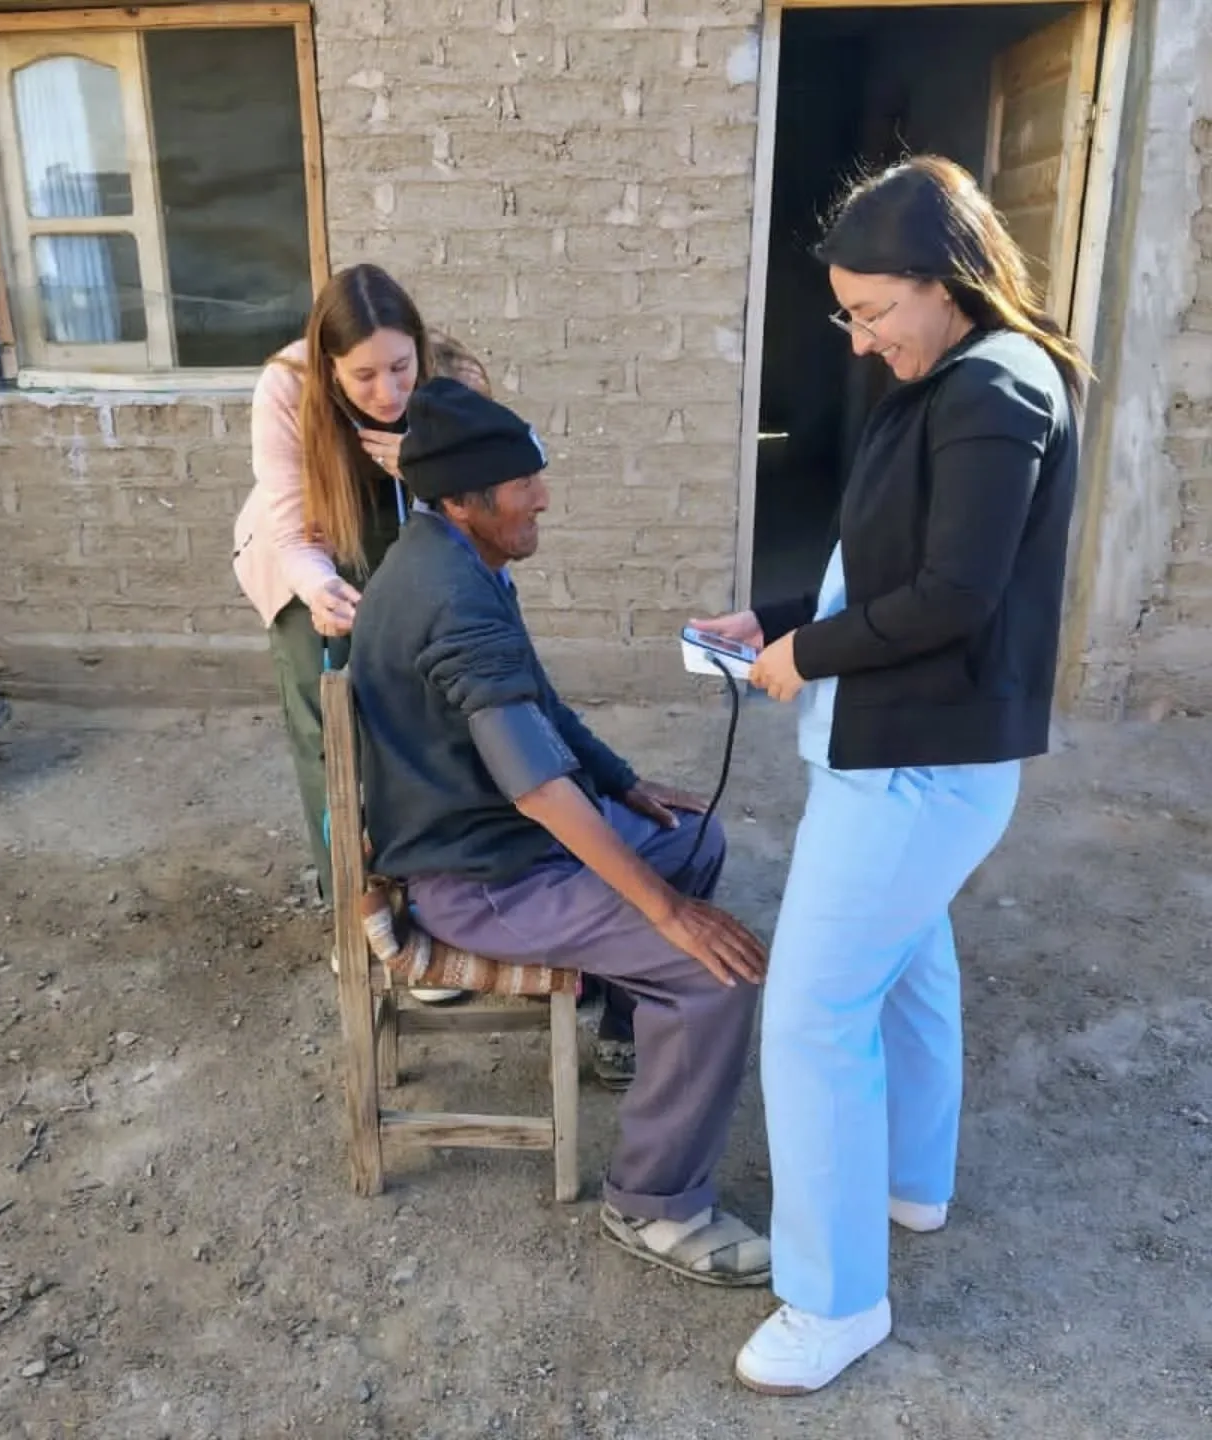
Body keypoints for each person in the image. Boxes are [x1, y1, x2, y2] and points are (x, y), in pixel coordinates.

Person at [693, 156, 1089, 1395]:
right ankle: (913, 1183)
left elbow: (956, 599)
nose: (861, 341)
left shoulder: (995, 390)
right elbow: (882, 559)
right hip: (903, 752)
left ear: (945, 280)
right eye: (847, 315)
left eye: (873, 312)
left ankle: (834, 1301)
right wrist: (774, 620)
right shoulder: (947, 376)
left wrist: (805, 655)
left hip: (925, 760)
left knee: (812, 1017)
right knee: (911, 968)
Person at [350, 377, 771, 1283]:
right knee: (715, 973)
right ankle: (655, 1205)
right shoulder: (454, 598)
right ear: (465, 499)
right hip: (481, 883)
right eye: (522, 484)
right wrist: (666, 913)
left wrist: (624, 782)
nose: (543, 496)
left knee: (695, 839)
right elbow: (537, 787)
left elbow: (536, 705)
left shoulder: (452, 556)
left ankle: (628, 1029)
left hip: (496, 845)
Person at [233, 265, 489, 1004]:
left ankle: (434, 910)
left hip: (417, 551)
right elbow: (289, 522)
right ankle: (358, 920)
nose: (388, 392)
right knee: (333, 739)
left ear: (419, 347)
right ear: (328, 366)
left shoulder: (456, 378)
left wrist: (423, 461)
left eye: (401, 367)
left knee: (432, 727)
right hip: (309, 559)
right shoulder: (286, 388)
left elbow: (499, 488)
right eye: (364, 376)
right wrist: (318, 588)